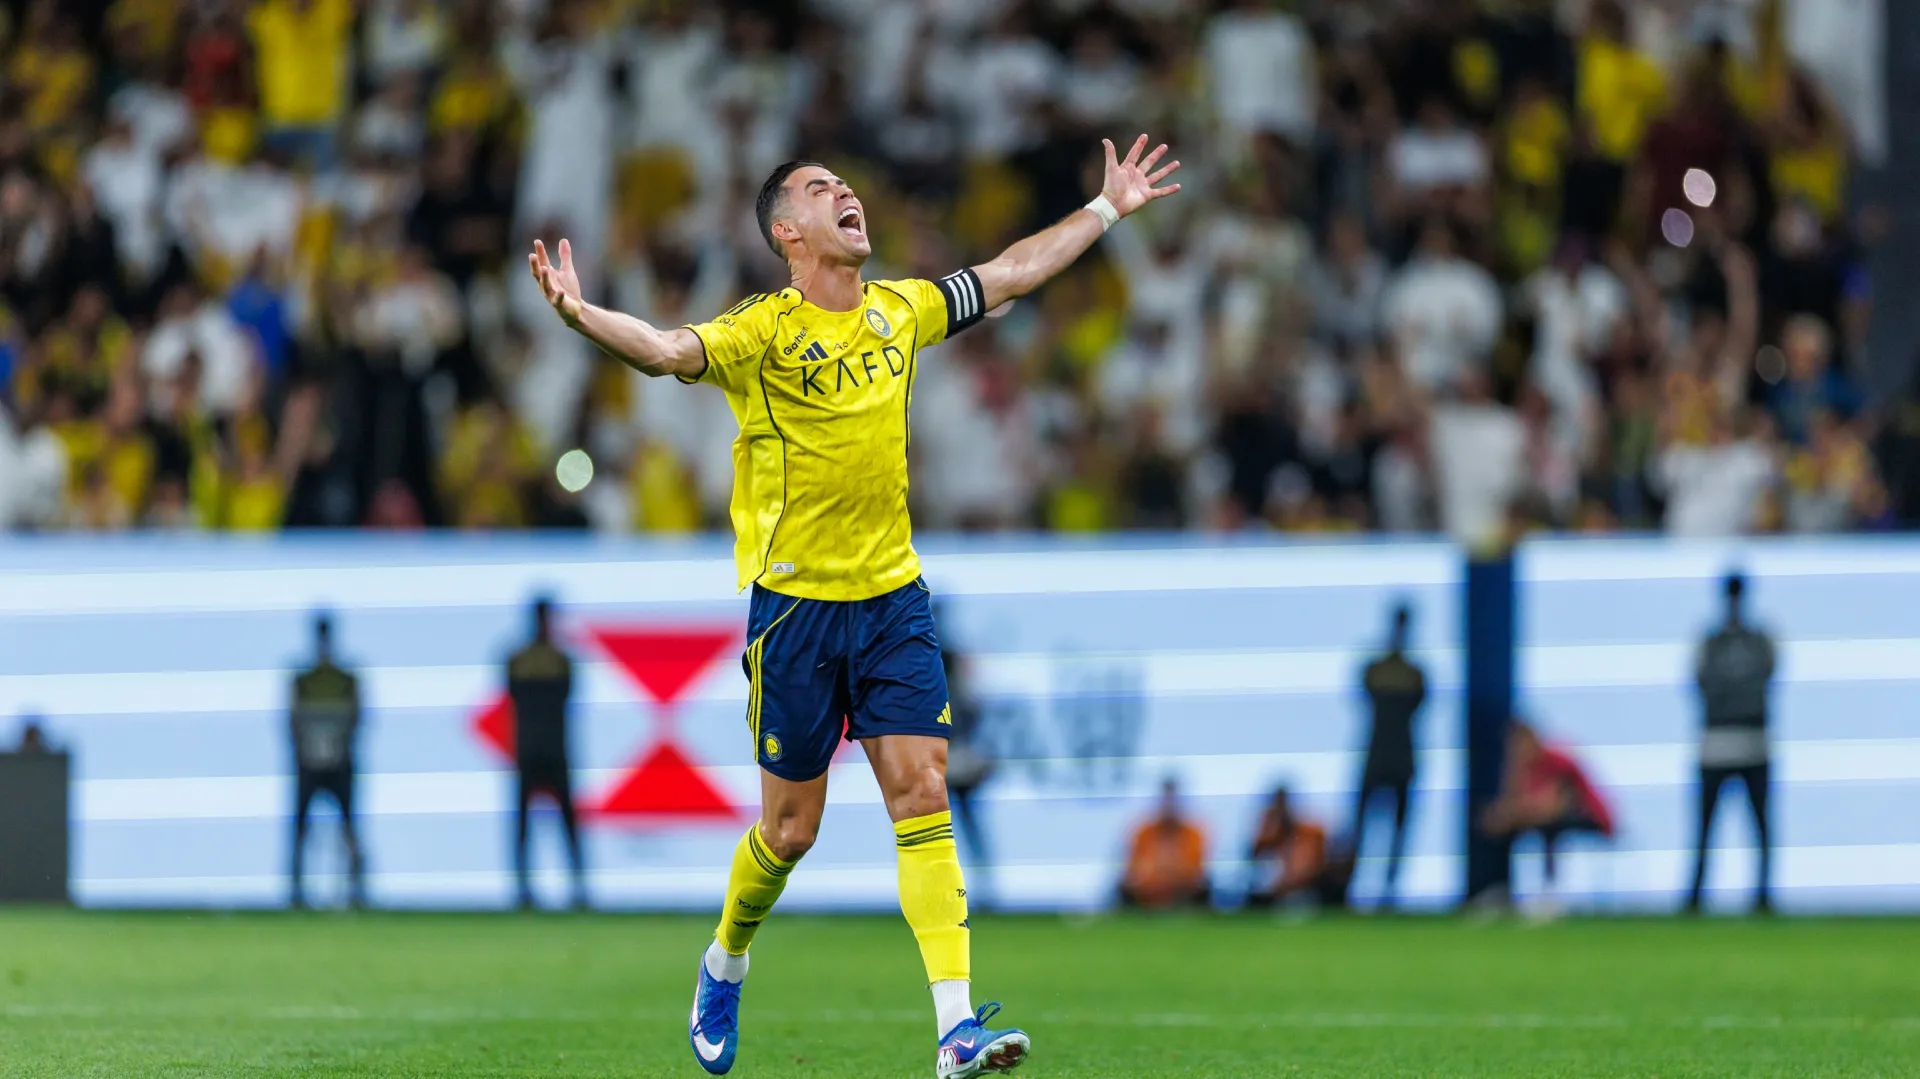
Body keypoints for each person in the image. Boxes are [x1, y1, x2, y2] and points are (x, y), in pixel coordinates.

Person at [530, 132, 1182, 1078]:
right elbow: (669, 349)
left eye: (847, 184)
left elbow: (1008, 275)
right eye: (820, 188)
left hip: (892, 599)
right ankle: (725, 959)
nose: (847, 195)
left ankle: (956, 1027)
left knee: (921, 790)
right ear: (788, 231)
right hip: (795, 610)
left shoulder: (900, 312)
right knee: (791, 831)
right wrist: (582, 312)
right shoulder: (763, 331)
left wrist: (1108, 209)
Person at [1687, 573, 1777, 914]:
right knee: (1710, 827)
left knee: (1756, 827)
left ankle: (1761, 895)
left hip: (1746, 742)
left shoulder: (1747, 641)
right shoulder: (1719, 642)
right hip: (1722, 742)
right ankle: (1697, 895)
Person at [506, 596, 587, 912]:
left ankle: (578, 887)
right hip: (534, 749)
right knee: (526, 824)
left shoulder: (544, 659)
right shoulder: (544, 659)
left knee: (566, 823)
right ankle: (523, 888)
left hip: (549, 749)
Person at [1479, 721, 1614, 899]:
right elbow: (1513, 801)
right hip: (1542, 816)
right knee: (1502, 831)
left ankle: (1550, 891)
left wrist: (1513, 815)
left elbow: (1554, 807)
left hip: (1589, 816)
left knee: (1550, 828)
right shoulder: (1518, 765)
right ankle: (1500, 888)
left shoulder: (1557, 760)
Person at [288, 613, 365, 909]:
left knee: (347, 828)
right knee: (301, 830)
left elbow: (357, 717)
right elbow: (293, 721)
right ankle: (296, 892)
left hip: (337, 763)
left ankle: (356, 891)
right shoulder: (306, 680)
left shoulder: (343, 680)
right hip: (311, 764)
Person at [1354, 603, 1426, 906]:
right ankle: (1352, 885)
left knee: (1398, 829)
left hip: (1401, 757)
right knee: (1361, 826)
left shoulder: (1413, 673)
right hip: (1378, 754)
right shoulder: (1377, 669)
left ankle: (1389, 891)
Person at [936, 599, 996, 906]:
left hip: (950, 750)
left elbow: (971, 705)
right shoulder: (943, 656)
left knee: (947, 825)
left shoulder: (947, 658)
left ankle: (980, 888)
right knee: (938, 826)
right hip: (944, 750)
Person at [1246, 786, 1351, 910]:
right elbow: (1255, 859)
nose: (1280, 808)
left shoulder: (1310, 832)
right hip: (1275, 892)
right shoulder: (1268, 835)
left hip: (1304, 891)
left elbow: (1312, 868)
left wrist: (1286, 884)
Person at [1118, 778, 1211, 910]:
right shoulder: (1144, 831)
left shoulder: (1193, 832)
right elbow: (1135, 867)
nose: (1169, 807)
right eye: (1165, 801)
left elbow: (1195, 868)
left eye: (1173, 801)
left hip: (1182, 886)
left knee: (1203, 886)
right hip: (1149, 886)